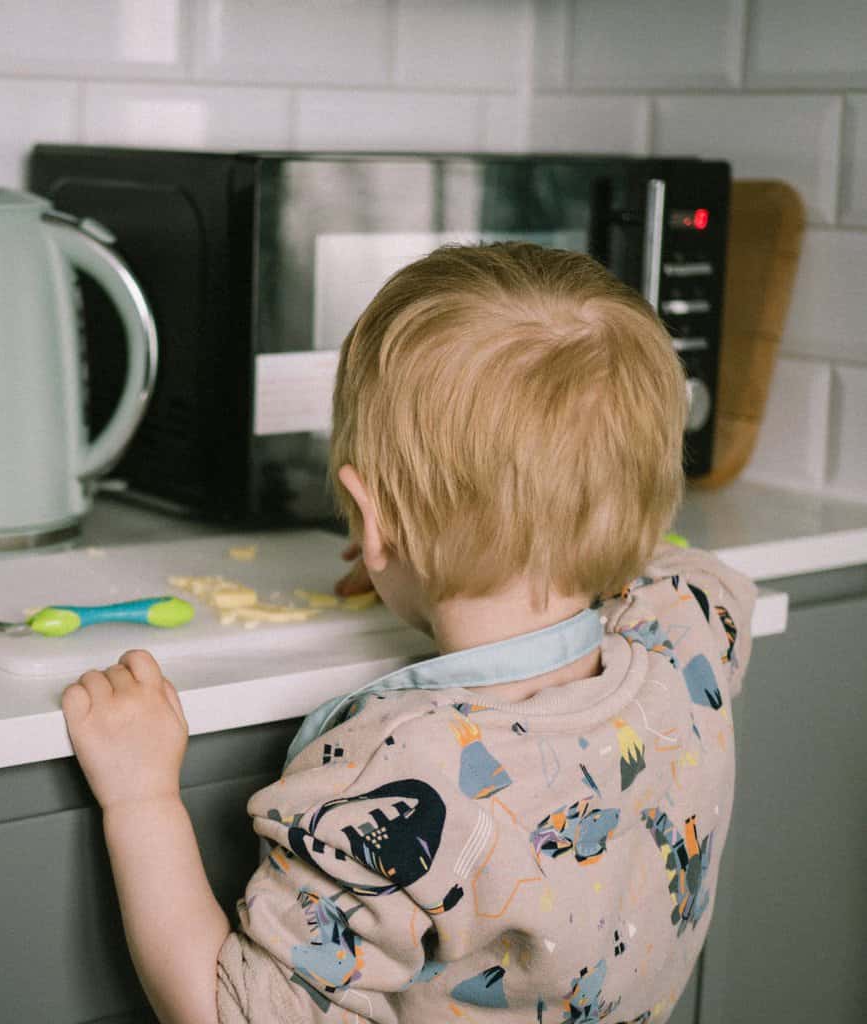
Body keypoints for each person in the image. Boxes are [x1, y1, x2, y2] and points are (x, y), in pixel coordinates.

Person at [61, 242, 756, 1024]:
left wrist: (141, 796)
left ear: (368, 518)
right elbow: (676, 562)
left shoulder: (397, 778)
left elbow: (227, 1014)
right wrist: (451, 547)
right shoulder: (689, 633)